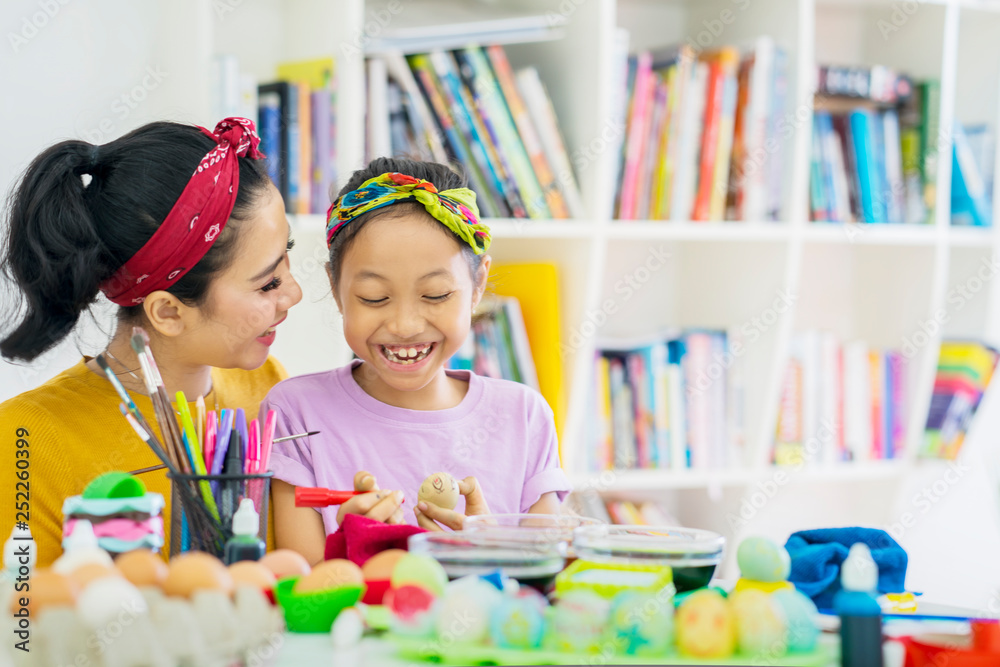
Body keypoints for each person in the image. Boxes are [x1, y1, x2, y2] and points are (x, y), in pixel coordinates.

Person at [0, 118, 303, 566]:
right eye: (268, 283)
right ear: (168, 312)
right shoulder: (24, 439)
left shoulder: (271, 389)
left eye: (288, 255)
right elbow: (20, 627)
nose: (294, 293)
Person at [263, 157, 572, 564]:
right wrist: (350, 550)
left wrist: (491, 554)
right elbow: (302, 594)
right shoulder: (295, 414)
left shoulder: (523, 416)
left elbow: (545, 584)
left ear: (477, 285)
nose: (405, 325)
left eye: (436, 295)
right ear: (336, 288)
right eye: (374, 298)